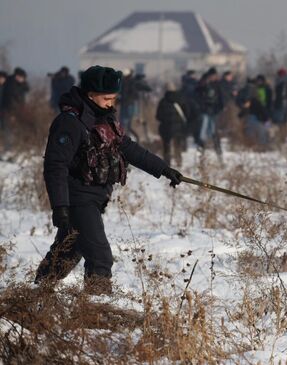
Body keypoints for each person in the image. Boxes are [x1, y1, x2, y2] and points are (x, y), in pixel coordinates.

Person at [35, 65, 183, 295]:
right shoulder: (69, 123)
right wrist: (60, 207)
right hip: (78, 200)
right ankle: (97, 310)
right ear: (90, 94)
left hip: (95, 199)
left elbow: (130, 149)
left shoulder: (105, 119)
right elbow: (55, 166)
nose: (111, 103)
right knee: (100, 256)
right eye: (106, 98)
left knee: (67, 252)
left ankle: (34, 293)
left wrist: (164, 169)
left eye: (114, 98)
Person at [156, 82, 191, 167]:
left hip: (166, 127)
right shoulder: (181, 100)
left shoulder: (163, 101)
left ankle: (167, 163)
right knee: (177, 144)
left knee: (166, 145)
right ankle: (179, 161)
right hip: (179, 127)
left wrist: (165, 120)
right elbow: (187, 113)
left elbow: (158, 116)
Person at [195, 67, 223, 155]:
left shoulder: (217, 84)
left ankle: (216, 147)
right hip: (205, 110)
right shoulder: (203, 83)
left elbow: (220, 97)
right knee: (203, 130)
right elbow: (198, 94)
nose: (214, 77)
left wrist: (219, 108)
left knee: (213, 131)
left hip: (214, 111)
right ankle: (202, 147)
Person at [272, 68, 287, 141]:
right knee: (284, 123)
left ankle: (281, 138)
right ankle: (284, 138)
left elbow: (281, 95)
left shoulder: (282, 83)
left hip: (281, 105)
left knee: (279, 122)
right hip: (285, 105)